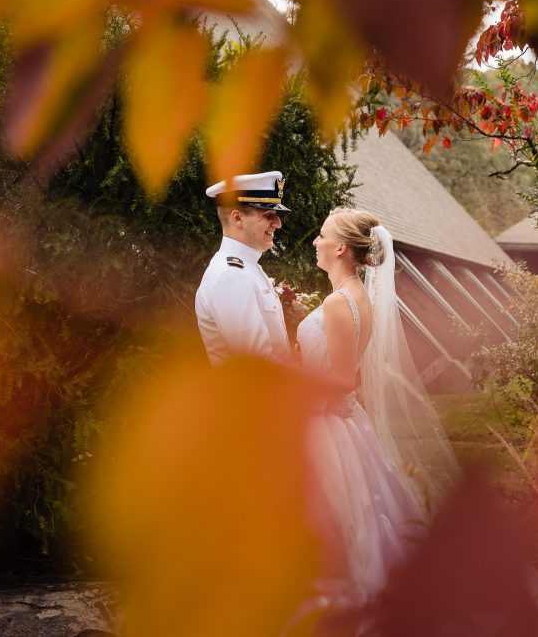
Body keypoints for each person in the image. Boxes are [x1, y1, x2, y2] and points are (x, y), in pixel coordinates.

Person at [296, 208, 460, 610]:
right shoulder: (357, 297)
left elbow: (342, 379)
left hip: (330, 424)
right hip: (347, 422)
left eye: (321, 236)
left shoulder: (339, 303)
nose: (315, 242)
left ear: (339, 248)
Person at [195, 171, 291, 365]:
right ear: (237, 218)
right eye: (269, 215)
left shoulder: (247, 268)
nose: (278, 223)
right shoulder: (230, 275)